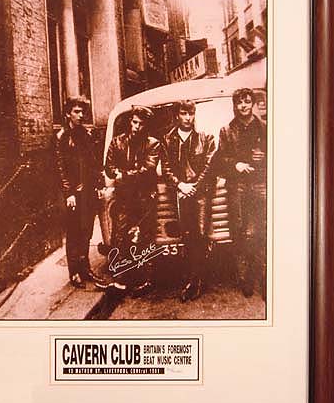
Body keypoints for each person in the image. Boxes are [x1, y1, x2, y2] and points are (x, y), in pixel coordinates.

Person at [161, 100, 216, 301]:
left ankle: (195, 282)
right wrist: (180, 185)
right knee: (187, 235)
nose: (187, 118)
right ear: (177, 115)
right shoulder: (167, 139)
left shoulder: (206, 137)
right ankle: (194, 278)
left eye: (190, 114)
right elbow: (166, 167)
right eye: (183, 114)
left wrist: (194, 186)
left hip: (200, 193)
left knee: (200, 234)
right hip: (181, 192)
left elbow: (210, 166)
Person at [104, 106, 160, 294]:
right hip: (124, 198)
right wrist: (120, 174)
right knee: (120, 237)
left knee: (145, 237)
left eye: (141, 124)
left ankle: (147, 280)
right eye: (134, 122)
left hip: (145, 198)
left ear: (146, 126)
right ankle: (121, 279)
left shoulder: (153, 144)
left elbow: (147, 170)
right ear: (131, 122)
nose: (136, 127)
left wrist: (123, 174)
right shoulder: (117, 141)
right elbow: (109, 167)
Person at [217, 88, 267, 298]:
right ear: (235, 105)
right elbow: (220, 160)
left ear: (253, 103)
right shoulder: (226, 130)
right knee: (239, 231)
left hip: (260, 185)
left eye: (247, 102)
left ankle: (264, 278)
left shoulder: (265, 127)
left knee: (263, 230)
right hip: (237, 187)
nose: (244, 106)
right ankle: (245, 278)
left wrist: (264, 157)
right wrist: (235, 164)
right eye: (240, 102)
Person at [55, 96, 106, 289]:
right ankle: (74, 272)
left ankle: (85, 268)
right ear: (68, 113)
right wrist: (68, 192)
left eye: (82, 112)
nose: (80, 115)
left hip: (88, 191)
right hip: (73, 194)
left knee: (86, 231)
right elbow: (60, 168)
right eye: (76, 111)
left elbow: (93, 162)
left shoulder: (86, 134)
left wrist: (98, 185)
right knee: (74, 232)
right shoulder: (61, 137)